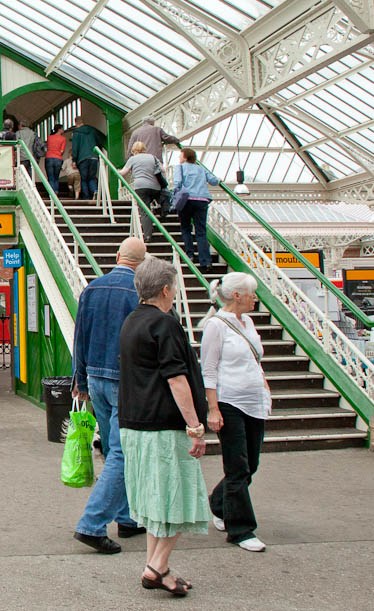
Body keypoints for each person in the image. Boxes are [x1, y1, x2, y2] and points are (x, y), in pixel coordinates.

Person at [119, 256, 209, 597]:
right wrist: (195, 427)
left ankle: (160, 568)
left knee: (156, 503)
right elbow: (176, 378)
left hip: (135, 423)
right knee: (179, 498)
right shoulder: (165, 323)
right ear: (167, 289)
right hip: (163, 425)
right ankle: (155, 568)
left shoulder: (132, 321)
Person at [72, 237, 147, 554]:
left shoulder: (92, 288)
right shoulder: (140, 293)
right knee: (122, 452)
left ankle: (127, 517)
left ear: (117, 256)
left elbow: (80, 335)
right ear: (141, 264)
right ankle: (91, 524)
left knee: (116, 449)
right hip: (125, 381)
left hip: (95, 378)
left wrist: (80, 379)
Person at [201, 273, 271, 552]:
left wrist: (264, 385)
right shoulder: (216, 326)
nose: (255, 298)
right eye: (252, 293)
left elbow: (255, 359)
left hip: (254, 400)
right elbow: (209, 368)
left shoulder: (249, 322)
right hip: (229, 402)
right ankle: (241, 529)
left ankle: (218, 503)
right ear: (238, 295)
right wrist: (213, 408)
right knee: (238, 466)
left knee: (250, 464)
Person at [172, 148, 219, 272]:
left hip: (186, 200)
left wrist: (173, 200)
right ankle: (206, 262)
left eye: (180, 155)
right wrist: (220, 180)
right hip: (202, 200)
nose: (179, 158)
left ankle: (190, 255)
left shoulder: (180, 168)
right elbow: (214, 181)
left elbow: (177, 183)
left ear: (185, 157)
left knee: (186, 227)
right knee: (201, 231)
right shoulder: (201, 169)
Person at [119, 142, 164, 242]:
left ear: (134, 151)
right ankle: (160, 210)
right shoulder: (152, 157)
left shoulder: (133, 159)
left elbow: (123, 172)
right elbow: (162, 169)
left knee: (144, 211)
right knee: (153, 201)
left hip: (140, 187)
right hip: (155, 187)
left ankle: (148, 235)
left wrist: (116, 171)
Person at [70, 116, 106, 200]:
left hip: (82, 159)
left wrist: (74, 160)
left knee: (83, 179)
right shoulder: (92, 130)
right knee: (92, 177)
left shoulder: (76, 133)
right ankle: (95, 191)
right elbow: (100, 140)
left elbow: (75, 148)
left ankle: (86, 198)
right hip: (94, 157)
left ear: (76, 123)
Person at [44, 124, 66, 195]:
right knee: (56, 177)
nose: (63, 130)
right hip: (58, 158)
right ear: (59, 129)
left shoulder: (49, 137)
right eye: (62, 128)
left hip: (49, 157)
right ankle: (56, 191)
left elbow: (47, 147)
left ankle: (51, 193)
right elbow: (62, 151)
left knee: (50, 177)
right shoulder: (63, 139)